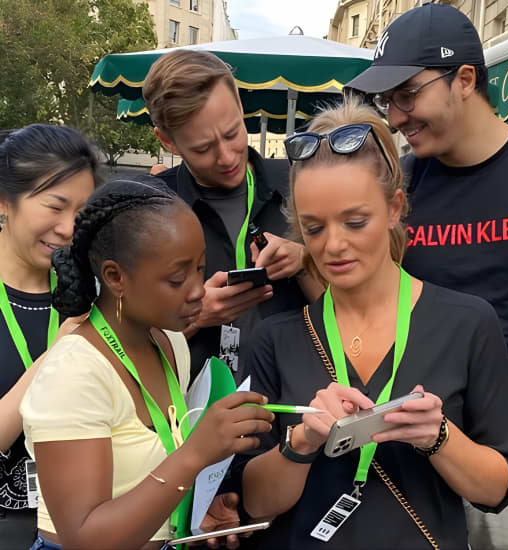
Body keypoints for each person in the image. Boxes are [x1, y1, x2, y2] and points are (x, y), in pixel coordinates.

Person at [229, 100, 508, 550]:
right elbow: (255, 503)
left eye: (355, 221)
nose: (333, 246)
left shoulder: (467, 323)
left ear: (394, 209)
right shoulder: (274, 339)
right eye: (312, 228)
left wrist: (439, 436)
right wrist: (302, 442)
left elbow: (497, 489)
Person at [344, 4, 508, 548]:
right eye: (387, 102)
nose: (394, 116)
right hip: (418, 455)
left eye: (407, 95)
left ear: (464, 80)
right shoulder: (399, 190)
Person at [20, 178, 274, 550]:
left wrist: (192, 511)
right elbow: (84, 537)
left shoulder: (169, 341)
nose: (197, 290)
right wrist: (195, 455)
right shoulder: (73, 373)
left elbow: (149, 479)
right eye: (176, 278)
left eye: (200, 269)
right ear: (115, 277)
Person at [143, 49, 323, 383]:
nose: (226, 157)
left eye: (231, 133)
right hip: (190, 419)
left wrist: (307, 261)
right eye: (202, 148)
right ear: (167, 141)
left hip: (296, 413)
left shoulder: (302, 183)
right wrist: (193, 317)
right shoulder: (148, 210)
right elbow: (120, 343)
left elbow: (357, 310)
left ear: (239, 104)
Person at [0, 124, 101, 550]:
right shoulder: (75, 325)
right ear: (4, 201)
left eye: (82, 212)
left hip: (82, 527)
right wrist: (58, 354)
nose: (67, 228)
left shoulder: (97, 293)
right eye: (55, 206)